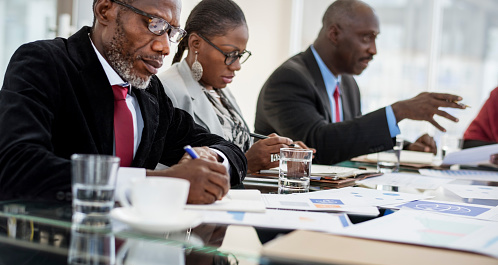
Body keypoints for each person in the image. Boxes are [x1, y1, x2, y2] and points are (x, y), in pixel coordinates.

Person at [0, 0, 247, 204]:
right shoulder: (44, 63)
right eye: (154, 24)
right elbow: (16, 166)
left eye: (171, 32)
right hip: (46, 252)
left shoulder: (150, 92)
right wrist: (159, 183)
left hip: (126, 255)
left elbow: (225, 148)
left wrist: (210, 159)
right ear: (105, 10)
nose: (164, 48)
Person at [255, 0, 465, 165]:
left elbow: (349, 141)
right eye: (366, 38)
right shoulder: (290, 79)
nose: (373, 50)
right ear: (334, 34)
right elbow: (318, 146)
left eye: (375, 39)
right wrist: (398, 111)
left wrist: (408, 149)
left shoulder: (347, 83)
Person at [158, 0, 311, 174]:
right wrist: (246, 162)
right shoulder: (166, 90)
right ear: (195, 44)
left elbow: (234, 143)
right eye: (230, 54)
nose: (237, 65)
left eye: (240, 55)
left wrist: (276, 151)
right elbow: (169, 171)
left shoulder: (218, 90)